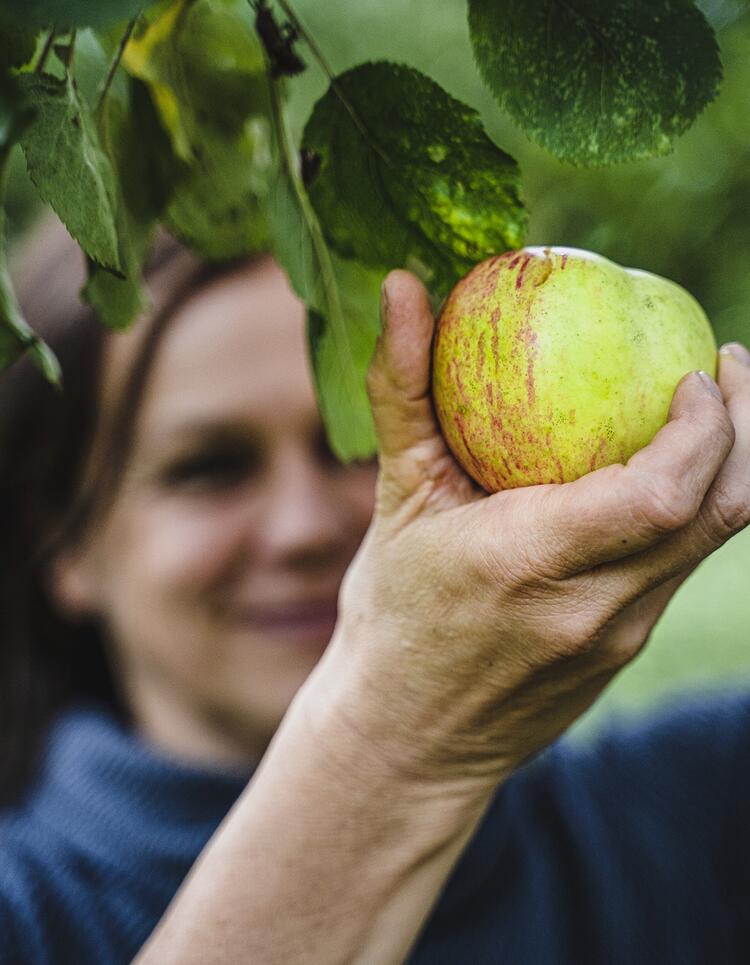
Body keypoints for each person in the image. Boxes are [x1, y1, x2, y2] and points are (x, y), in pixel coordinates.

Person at [0, 214, 749, 965]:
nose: (303, 527)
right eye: (209, 467)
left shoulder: (693, 818)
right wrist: (402, 747)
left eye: (352, 442)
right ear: (61, 540)